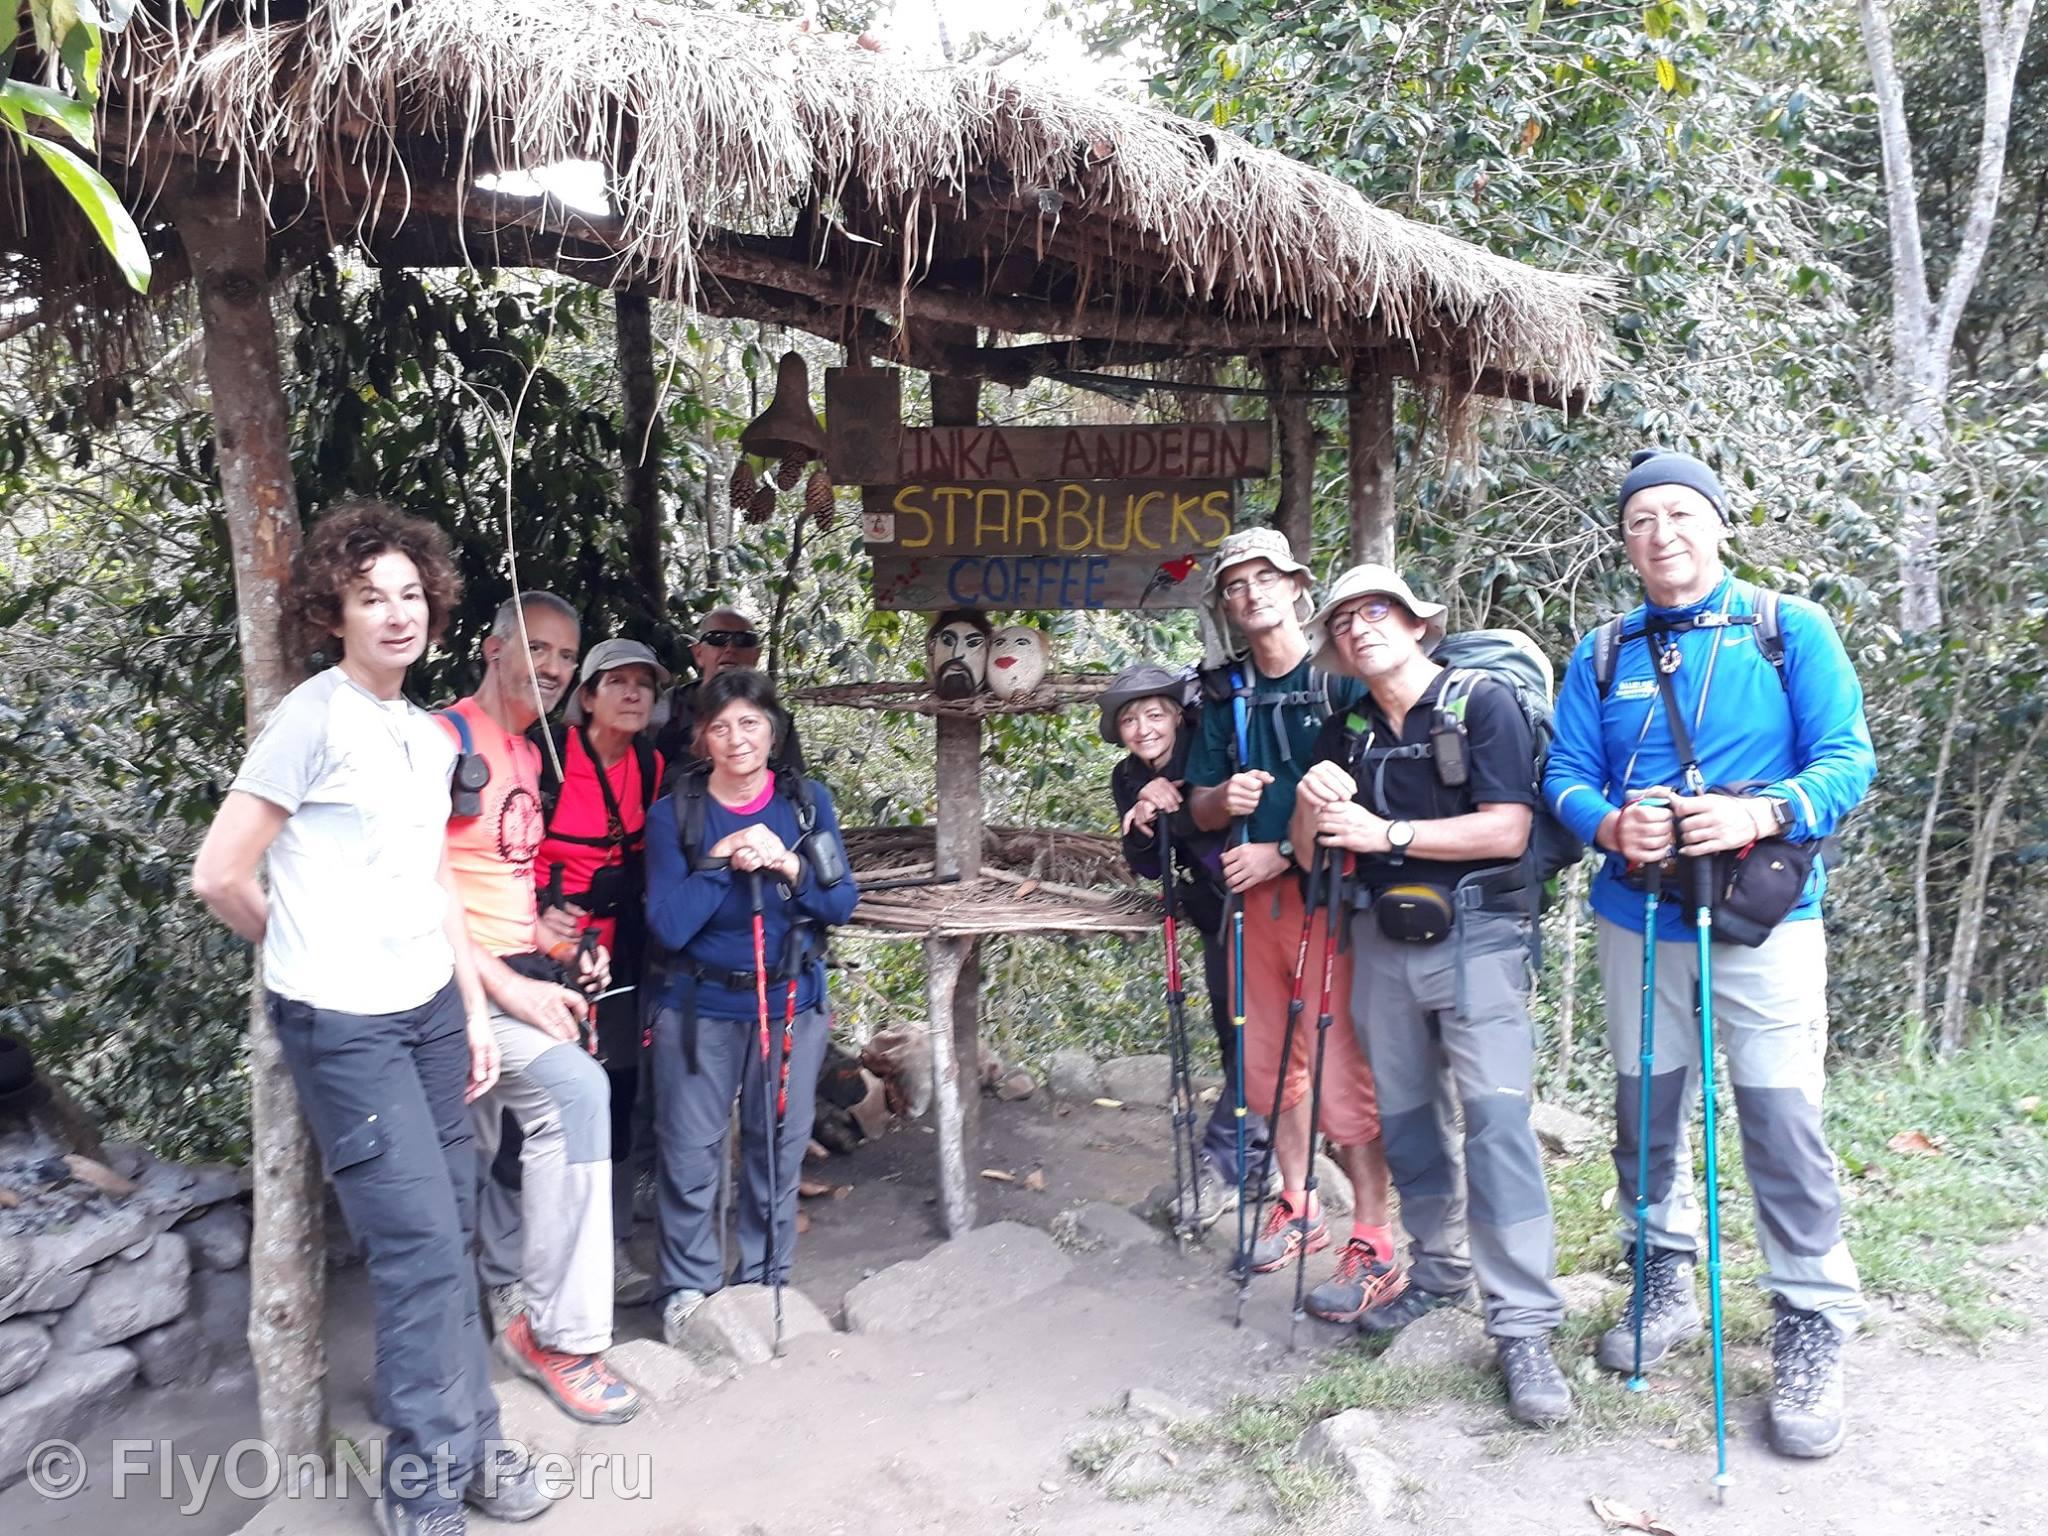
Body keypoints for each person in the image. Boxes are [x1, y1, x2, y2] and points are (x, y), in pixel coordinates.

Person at [191, 500, 554, 1536]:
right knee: (421, 1251)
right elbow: (219, 873)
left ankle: (472, 1447)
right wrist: (299, 949)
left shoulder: (419, 732)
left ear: (433, 610)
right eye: (368, 598)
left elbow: (437, 873)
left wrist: (475, 1010)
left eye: (408, 596)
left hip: (432, 1014)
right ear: (335, 613)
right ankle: (423, 1490)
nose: (394, 614)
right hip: (344, 1029)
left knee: (458, 1226)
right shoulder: (313, 716)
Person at [1543, 449, 1876, 1459]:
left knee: (1779, 1118)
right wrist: (1608, 827)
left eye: (1680, 513)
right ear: (1624, 539)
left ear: (1717, 524)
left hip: (1760, 916)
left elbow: (1846, 759)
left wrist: (1757, 810)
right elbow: (1564, 771)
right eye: (1640, 519)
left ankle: (1809, 1317)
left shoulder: (1786, 630)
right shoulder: (1600, 652)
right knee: (1645, 1114)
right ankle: (1660, 1274)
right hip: (1633, 913)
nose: (1660, 534)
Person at [1292, 564, 1570, 1425]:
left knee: (1494, 1120)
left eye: (1376, 611)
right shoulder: (1346, 732)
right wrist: (1310, 802)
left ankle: (1523, 1325)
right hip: (1379, 937)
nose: (1358, 628)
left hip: (1481, 935)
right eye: (1342, 621)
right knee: (1408, 1115)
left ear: (1418, 624)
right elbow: (1310, 859)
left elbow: (1509, 826)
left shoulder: (1481, 702)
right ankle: (1438, 1276)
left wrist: (1389, 833)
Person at [1180, 528, 1400, 1311]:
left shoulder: (1345, 678)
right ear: (1226, 605)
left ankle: (1373, 1237)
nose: (1252, 594)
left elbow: (1380, 783)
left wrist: (1278, 845)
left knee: (1344, 1069)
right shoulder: (1224, 696)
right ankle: (1299, 1202)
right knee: (1271, 1068)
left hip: (1333, 901)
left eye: (1265, 578)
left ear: (1298, 586)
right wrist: (1221, 802)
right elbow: (1198, 804)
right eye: (1236, 585)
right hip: (1254, 911)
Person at [440, 592, 641, 1427]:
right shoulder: (440, 741)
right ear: (492, 649)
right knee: (456, 1175)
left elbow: (507, 893)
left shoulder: (526, 756)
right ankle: (466, 1358)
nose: (556, 668)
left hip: (508, 981)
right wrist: (509, 986)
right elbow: (417, 889)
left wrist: (558, 947)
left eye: (568, 655)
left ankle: (554, 1334)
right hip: (442, 994)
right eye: (542, 649)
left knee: (573, 1098)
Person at [643, 669, 860, 1343]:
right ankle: (690, 1291)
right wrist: (723, 860)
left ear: (773, 729)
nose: (736, 738)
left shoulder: (804, 804)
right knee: (690, 1151)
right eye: (720, 725)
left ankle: (765, 1279)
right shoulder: (674, 812)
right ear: (702, 737)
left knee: (777, 1148)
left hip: (790, 1004)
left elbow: (840, 903)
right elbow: (668, 926)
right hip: (698, 1007)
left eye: (750, 723)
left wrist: (790, 867)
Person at [524, 638, 672, 1308]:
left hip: (625, 958)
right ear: (586, 698)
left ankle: (607, 1256)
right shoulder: (544, 764)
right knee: (541, 1105)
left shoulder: (653, 765)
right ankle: (527, 1270)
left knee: (616, 1094)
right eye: (617, 683)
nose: (634, 694)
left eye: (645, 683)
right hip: (546, 957)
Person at [1102, 664, 1272, 1225]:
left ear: (1178, 714)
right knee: (1232, 1027)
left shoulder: (1212, 746)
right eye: (1130, 719)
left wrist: (1179, 796)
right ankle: (1262, 1153)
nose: (1144, 728)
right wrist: (1144, 814)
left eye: (1155, 714)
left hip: (1258, 896)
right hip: (1210, 907)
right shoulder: (1126, 776)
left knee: (1254, 1028)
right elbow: (1147, 865)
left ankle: (1222, 1161)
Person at [653, 607, 805, 786]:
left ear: (756, 655)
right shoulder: (671, 706)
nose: (730, 648)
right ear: (698, 653)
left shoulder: (777, 719)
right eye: (718, 639)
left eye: (743, 640)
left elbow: (794, 788)